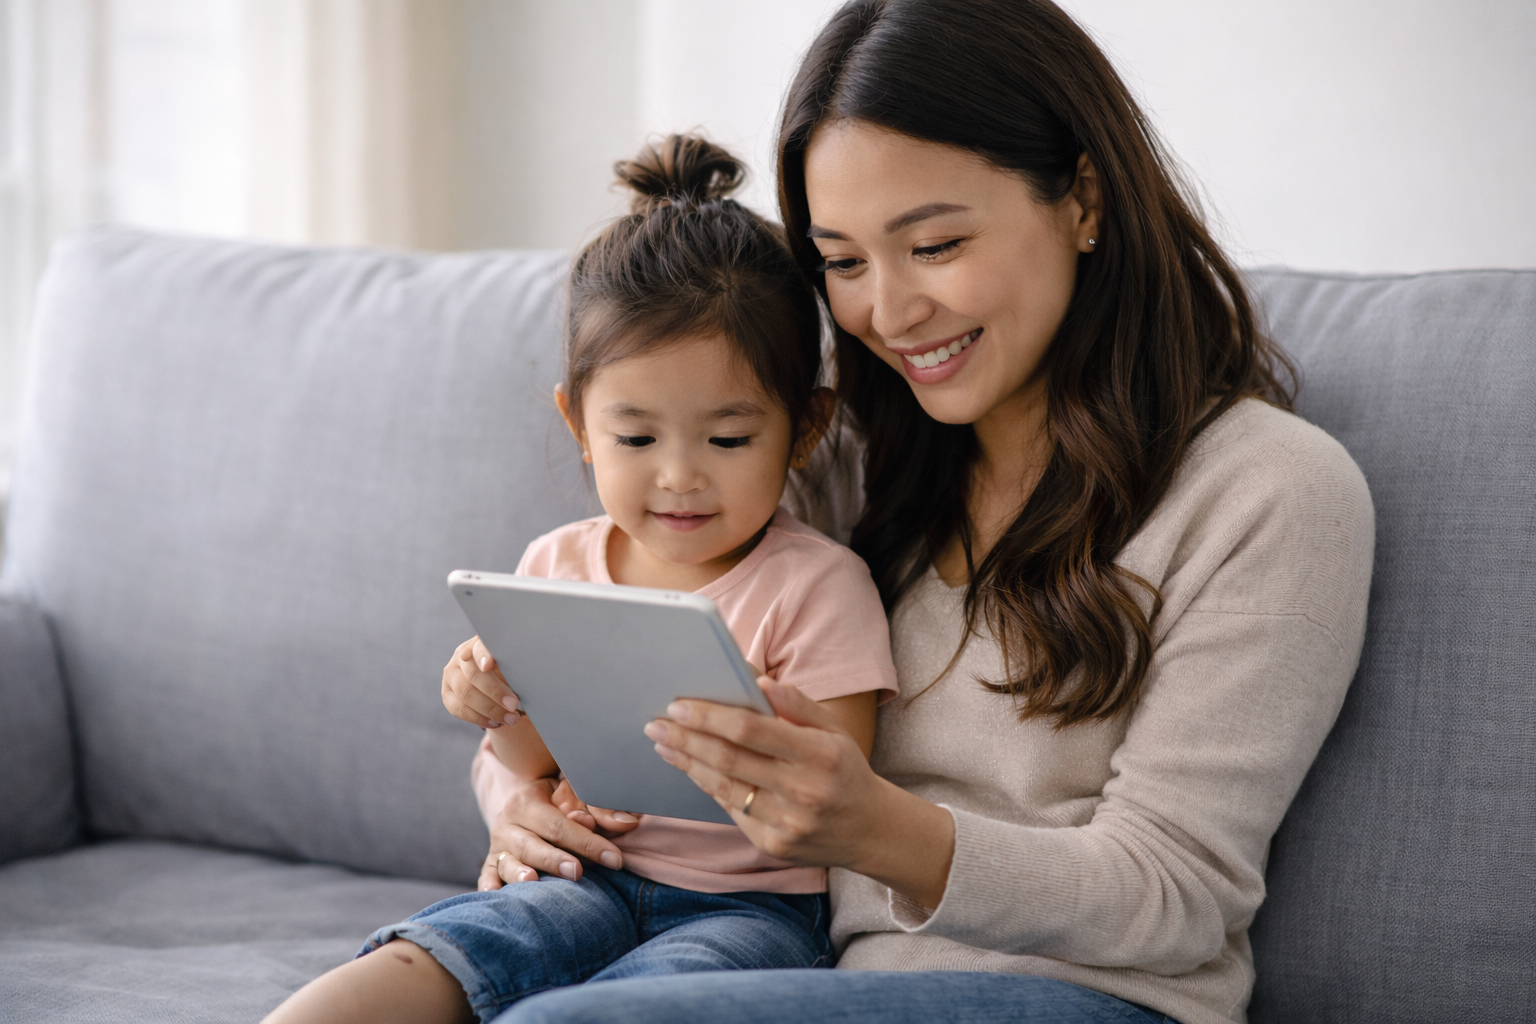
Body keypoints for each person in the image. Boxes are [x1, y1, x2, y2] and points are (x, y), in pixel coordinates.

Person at [475, 2, 1376, 1024]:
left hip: (1100, 999)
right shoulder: (830, 462)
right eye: (845, 263)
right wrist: (521, 812)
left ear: (1083, 198)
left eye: (935, 244)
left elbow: (1177, 894)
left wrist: (875, 828)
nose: (890, 314)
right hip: (828, 981)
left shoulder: (1269, 490)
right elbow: (574, 695)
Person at [262, 134, 896, 1024]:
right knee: (432, 955)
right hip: (582, 875)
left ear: (806, 428)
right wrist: (498, 702)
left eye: (728, 439)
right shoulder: (555, 566)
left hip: (752, 909)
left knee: (648, 1000)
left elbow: (838, 797)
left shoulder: (820, 587)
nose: (679, 476)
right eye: (636, 439)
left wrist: (743, 719)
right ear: (578, 423)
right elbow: (530, 764)